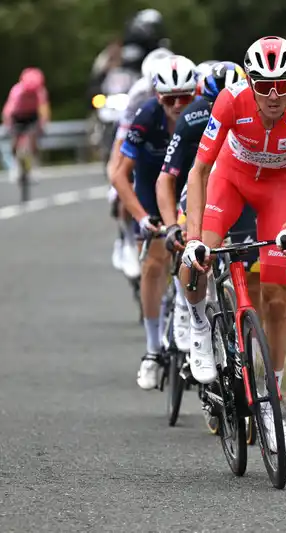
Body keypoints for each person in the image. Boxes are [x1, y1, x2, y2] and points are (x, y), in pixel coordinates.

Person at [179, 36, 286, 454]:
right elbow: (199, 170)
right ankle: (199, 324)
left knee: (277, 297)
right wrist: (193, 240)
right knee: (198, 262)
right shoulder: (231, 100)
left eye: (284, 83)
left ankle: (271, 396)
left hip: (279, 190)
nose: (275, 94)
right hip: (230, 180)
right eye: (265, 84)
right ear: (251, 80)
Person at [156, 61, 255, 361]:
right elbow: (167, 177)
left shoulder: (257, 117)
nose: (223, 108)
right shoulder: (192, 117)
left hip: (238, 189)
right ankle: (191, 312)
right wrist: (173, 225)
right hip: (199, 185)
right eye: (214, 102)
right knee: (192, 241)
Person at [110, 55, 198, 390]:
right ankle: (151, 349)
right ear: (157, 96)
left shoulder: (204, 114)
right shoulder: (146, 117)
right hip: (150, 187)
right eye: (169, 99)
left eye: (185, 97)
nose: (178, 105)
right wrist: (143, 217)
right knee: (154, 263)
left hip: (188, 186)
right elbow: (120, 176)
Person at [108, 47, 174, 279]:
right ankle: (126, 239)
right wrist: (116, 178)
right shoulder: (139, 95)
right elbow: (121, 142)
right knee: (122, 188)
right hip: (141, 143)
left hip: (171, 145)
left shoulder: (183, 84)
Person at [1, 68, 50, 182]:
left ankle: (34, 166)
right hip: (17, 116)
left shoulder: (40, 92)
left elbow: (44, 109)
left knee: (33, 140)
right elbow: (8, 111)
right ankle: (15, 166)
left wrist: (43, 124)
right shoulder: (17, 91)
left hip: (32, 116)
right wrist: (7, 125)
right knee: (14, 143)